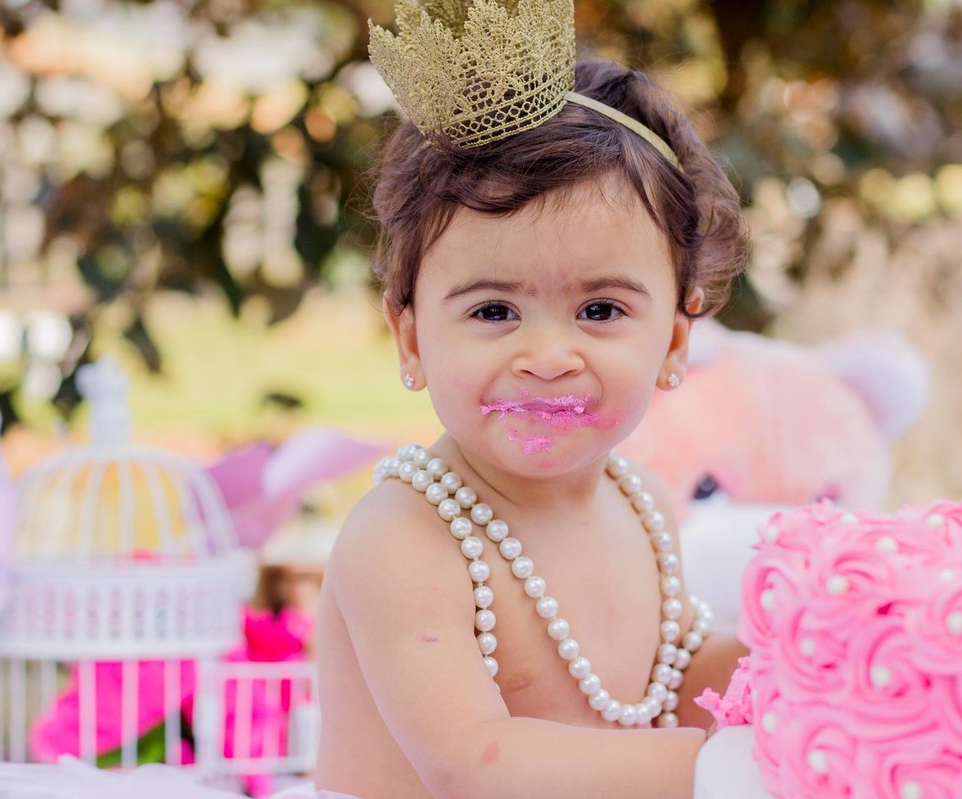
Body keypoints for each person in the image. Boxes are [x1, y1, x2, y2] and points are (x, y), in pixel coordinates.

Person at [310, 2, 751, 797]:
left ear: (674, 341)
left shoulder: (641, 505)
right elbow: (476, 761)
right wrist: (723, 768)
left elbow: (674, 680)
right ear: (411, 337)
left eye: (600, 310)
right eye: (493, 312)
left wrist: (800, 671)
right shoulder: (405, 539)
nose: (548, 359)